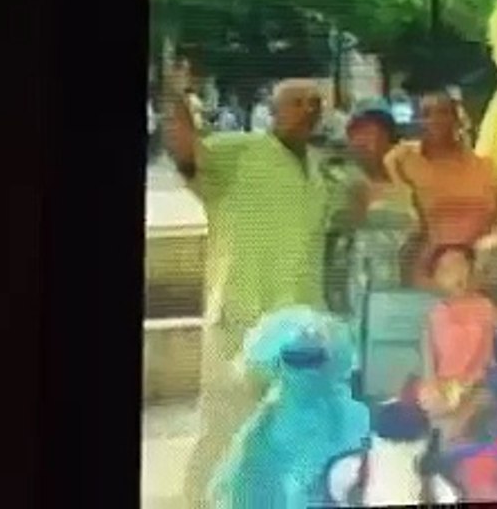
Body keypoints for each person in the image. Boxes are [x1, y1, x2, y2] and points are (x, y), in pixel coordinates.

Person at [163, 61, 332, 508]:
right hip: (240, 315)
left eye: (315, 103)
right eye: (298, 102)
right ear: (273, 111)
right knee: (224, 426)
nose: (309, 110)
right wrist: (174, 96)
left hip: (299, 323)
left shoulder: (319, 170)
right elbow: (186, 152)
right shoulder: (240, 150)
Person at [386, 90, 497, 287]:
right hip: (429, 265)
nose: (435, 120)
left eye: (443, 112)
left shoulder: (484, 167)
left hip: (482, 265)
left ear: (457, 120)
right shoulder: (403, 160)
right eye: (427, 114)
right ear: (418, 121)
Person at [331, 101, 416, 329]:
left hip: (399, 287)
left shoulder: (404, 184)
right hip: (357, 286)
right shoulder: (338, 179)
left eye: (379, 132)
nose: (370, 141)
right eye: (361, 132)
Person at [420, 244, 497, 444]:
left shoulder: (485, 308)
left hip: (477, 390)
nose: (457, 274)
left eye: (461, 265)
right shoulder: (433, 314)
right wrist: (438, 392)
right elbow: (429, 365)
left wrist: (468, 389)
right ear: (436, 277)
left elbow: (489, 359)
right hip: (443, 393)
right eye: (447, 269)